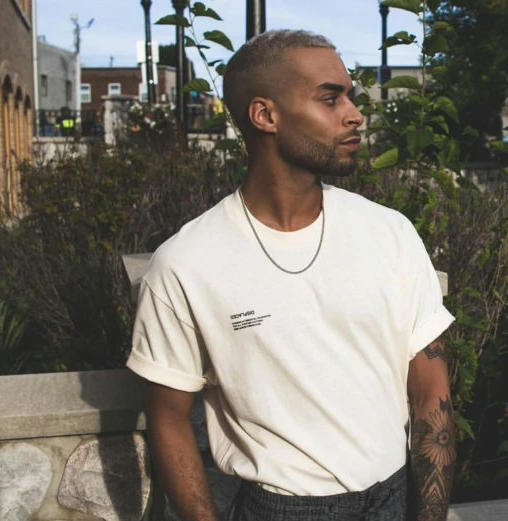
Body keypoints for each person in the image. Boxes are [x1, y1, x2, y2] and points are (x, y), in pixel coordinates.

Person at [126, 29, 456, 521]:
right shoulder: (186, 263)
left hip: (393, 499)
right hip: (279, 509)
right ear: (265, 115)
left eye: (349, 95)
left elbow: (431, 388)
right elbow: (169, 419)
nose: (354, 113)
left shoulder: (390, 233)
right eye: (330, 97)